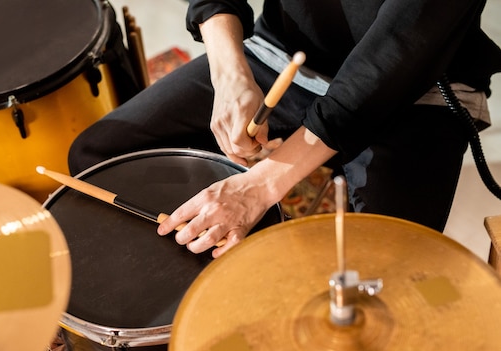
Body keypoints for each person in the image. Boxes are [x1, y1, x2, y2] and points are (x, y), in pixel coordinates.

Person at [69, 0, 501, 258]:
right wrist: (229, 74)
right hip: (287, 54)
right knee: (100, 158)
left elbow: (395, 54)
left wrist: (257, 187)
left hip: (418, 90)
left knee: (384, 263)